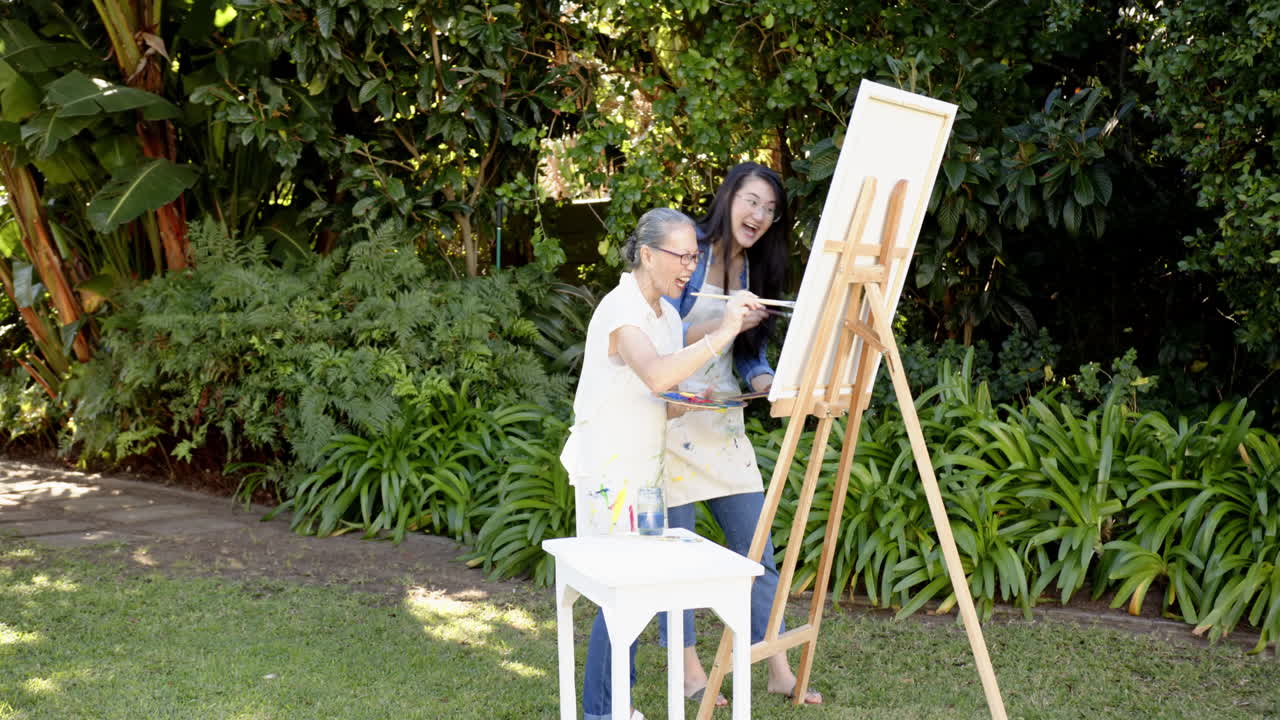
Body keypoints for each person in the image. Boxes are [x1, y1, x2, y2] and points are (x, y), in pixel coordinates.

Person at [560, 207, 762, 720]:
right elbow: (653, 375)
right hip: (608, 472)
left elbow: (668, 395)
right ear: (647, 254)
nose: (689, 268)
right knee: (620, 592)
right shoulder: (620, 311)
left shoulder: (668, 316)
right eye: (680, 256)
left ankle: (615, 707)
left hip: (646, 473)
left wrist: (706, 399)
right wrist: (723, 332)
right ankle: (602, 713)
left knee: (636, 591)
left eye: (695, 257)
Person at [659, 162, 824, 705]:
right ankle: (687, 669)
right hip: (672, 415)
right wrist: (724, 320)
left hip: (723, 421)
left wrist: (769, 382)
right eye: (753, 201)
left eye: (771, 210)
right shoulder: (690, 250)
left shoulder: (756, 269)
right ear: (730, 197)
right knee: (674, 556)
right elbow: (663, 335)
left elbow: (750, 354)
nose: (760, 215)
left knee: (756, 548)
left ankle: (774, 664)